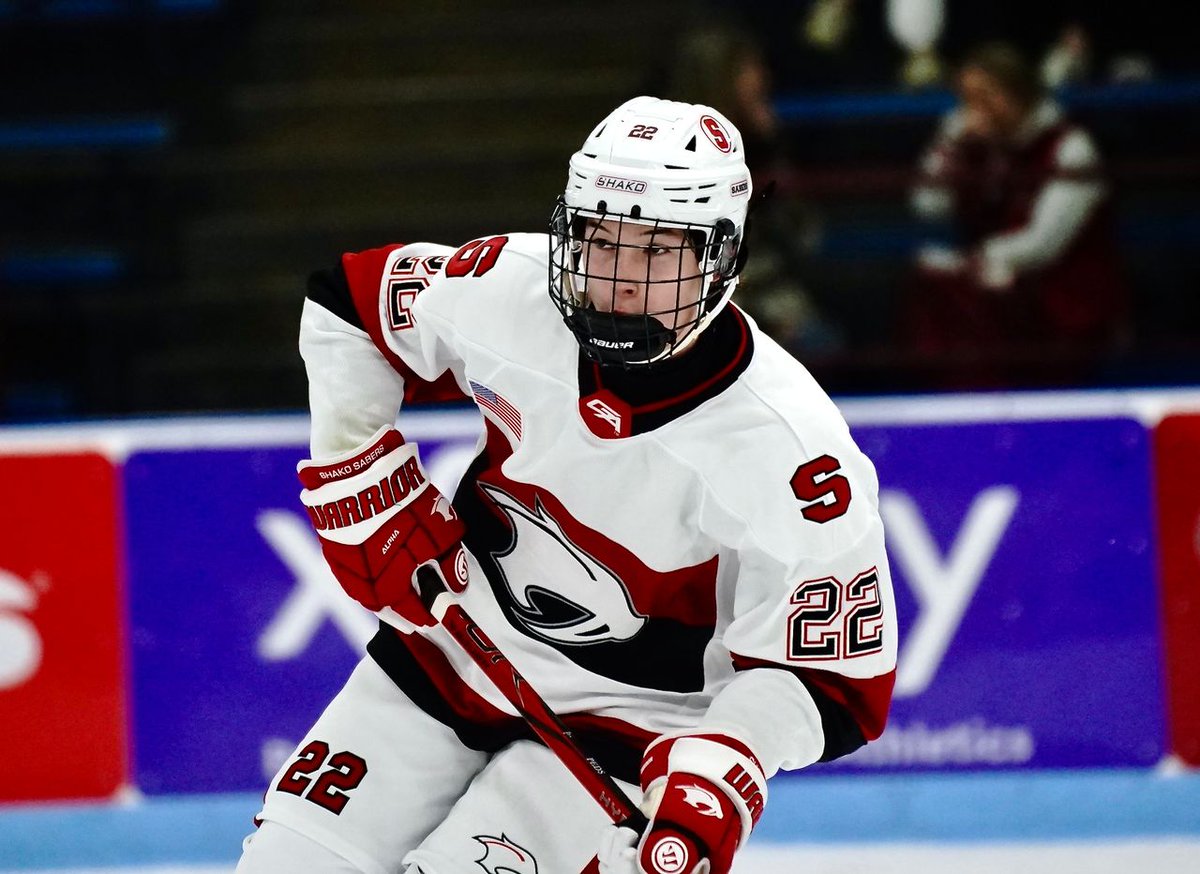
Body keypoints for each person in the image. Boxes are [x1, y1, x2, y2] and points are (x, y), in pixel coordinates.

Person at [236, 96, 897, 874]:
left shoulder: (792, 454)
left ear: (723, 256)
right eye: (598, 240)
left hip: (632, 724)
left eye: (656, 251)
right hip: (454, 647)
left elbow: (832, 684)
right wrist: (358, 475)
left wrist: (722, 767)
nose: (617, 279)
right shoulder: (509, 286)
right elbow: (347, 306)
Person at [904, 41, 1129, 387]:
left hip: (1063, 293)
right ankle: (952, 397)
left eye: (987, 96)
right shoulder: (974, 147)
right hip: (1000, 282)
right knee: (928, 283)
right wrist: (949, 142)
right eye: (968, 99)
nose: (976, 110)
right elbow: (927, 204)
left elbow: (1043, 244)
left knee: (972, 290)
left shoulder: (1069, 147)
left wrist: (975, 261)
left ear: (1019, 93)